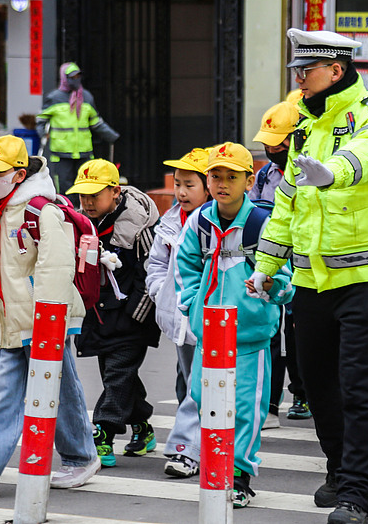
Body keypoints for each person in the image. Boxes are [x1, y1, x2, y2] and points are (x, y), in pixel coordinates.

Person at [251, 29, 368, 524]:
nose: (298, 79)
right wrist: (266, 265)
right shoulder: (302, 127)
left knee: (360, 383)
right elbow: (285, 205)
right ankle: (340, 468)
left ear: (336, 71)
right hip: (313, 280)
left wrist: (335, 171)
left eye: (306, 70)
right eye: (296, 71)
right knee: (317, 381)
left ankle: (357, 493)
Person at [0, 135, 100, 498]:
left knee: (10, 392)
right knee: (46, 389)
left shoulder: (42, 210)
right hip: (10, 320)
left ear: (18, 174)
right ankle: (77, 456)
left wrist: (47, 323)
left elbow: (55, 269)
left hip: (37, 319)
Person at [176, 142, 294, 508]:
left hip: (251, 337)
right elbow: (186, 267)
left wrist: (272, 286)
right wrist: (193, 303)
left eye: (232, 176)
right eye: (215, 176)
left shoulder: (263, 223)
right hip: (208, 334)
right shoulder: (200, 222)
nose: (222, 183)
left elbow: (285, 277)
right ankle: (216, 466)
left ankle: (239, 476)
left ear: (249, 180)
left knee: (247, 408)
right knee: (201, 398)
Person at [70, 158, 161, 467]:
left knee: (117, 375)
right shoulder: (80, 222)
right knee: (120, 379)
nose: (87, 201)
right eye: (83, 195)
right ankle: (143, 426)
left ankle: (104, 433)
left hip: (132, 316)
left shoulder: (139, 226)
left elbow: (153, 271)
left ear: (115, 192)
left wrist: (137, 314)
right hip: (98, 316)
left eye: (95, 194)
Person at [146, 147, 210, 479]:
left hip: (209, 322)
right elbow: (155, 264)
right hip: (178, 320)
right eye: (178, 184)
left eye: (190, 185)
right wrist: (161, 293)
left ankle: (184, 450)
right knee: (188, 385)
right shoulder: (170, 219)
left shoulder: (216, 220)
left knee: (199, 385)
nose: (181, 192)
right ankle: (209, 443)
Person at [251, 101, 311, 426]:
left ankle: (302, 392)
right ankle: (270, 404)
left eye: (278, 142)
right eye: (267, 143)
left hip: (302, 263)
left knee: (298, 330)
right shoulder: (266, 174)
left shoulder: (309, 170)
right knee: (271, 332)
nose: (271, 148)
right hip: (271, 258)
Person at [37, 62, 119, 196]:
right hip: (62, 150)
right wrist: (43, 135)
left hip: (83, 150)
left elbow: (95, 121)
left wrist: (111, 136)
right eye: (72, 77)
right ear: (64, 78)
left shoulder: (86, 97)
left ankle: (80, 212)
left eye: (78, 77)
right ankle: (67, 212)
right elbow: (41, 120)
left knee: (84, 184)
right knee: (64, 185)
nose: (76, 80)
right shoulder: (54, 98)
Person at [251, 100, 302, 203]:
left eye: (277, 148)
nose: (271, 152)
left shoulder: (310, 174)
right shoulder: (264, 175)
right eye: (266, 147)